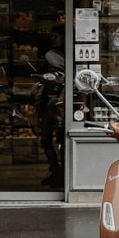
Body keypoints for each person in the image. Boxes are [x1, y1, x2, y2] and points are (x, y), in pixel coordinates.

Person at [39, 29, 66, 188]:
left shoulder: (56, 55)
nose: (53, 37)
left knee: (59, 140)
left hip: (58, 104)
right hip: (52, 103)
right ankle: (56, 171)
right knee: (47, 140)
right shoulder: (56, 55)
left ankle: (59, 174)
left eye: (57, 34)